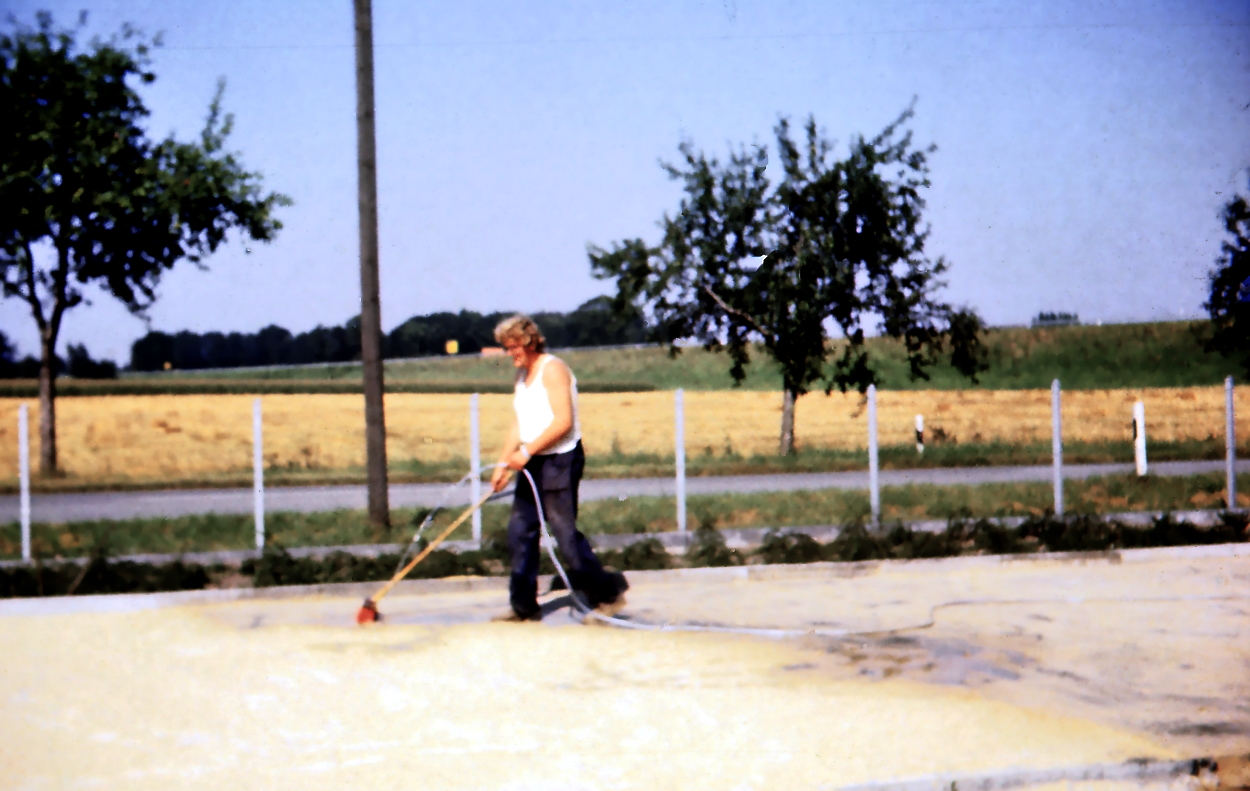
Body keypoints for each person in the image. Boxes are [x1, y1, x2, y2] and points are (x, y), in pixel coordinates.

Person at [489, 314, 628, 623]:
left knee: (563, 533)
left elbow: (563, 423)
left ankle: (607, 595)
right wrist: (503, 463)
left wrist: (525, 452)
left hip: (560, 460)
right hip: (533, 459)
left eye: (513, 347)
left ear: (529, 342)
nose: (509, 354)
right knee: (520, 532)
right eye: (505, 348)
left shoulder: (553, 370)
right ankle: (524, 607)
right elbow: (519, 424)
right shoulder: (522, 377)